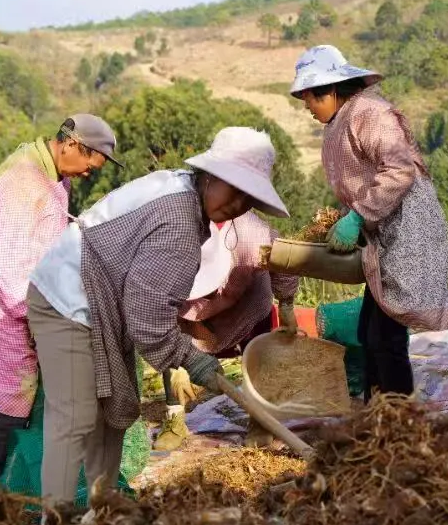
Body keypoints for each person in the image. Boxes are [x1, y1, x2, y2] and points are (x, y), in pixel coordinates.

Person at [26, 127, 289, 505]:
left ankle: (101, 507)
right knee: (76, 418)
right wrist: (192, 361)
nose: (237, 204)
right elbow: (148, 320)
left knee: (113, 412)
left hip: (102, 302)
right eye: (233, 189)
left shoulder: (182, 189)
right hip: (67, 296)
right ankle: (57, 518)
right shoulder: (179, 219)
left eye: (249, 198)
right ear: (210, 175)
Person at [290, 44, 448, 401]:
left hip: (407, 227)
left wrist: (358, 215)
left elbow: (399, 170)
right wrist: (345, 217)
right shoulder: (341, 121)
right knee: (370, 331)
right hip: (383, 232)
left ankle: (397, 413)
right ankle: (378, 405)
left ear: (329, 90)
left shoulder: (369, 114)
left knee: (384, 335)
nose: (307, 107)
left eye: (310, 99)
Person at [0, 114, 120, 482]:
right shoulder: (22, 182)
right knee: (16, 388)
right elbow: (10, 263)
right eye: (88, 166)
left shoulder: (53, 172)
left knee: (37, 378)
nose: (87, 174)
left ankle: (30, 466)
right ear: (71, 145)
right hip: (4, 297)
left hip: (34, 286)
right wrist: (40, 316)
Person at [153, 213, 300, 451]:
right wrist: (175, 358)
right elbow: (157, 312)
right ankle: (174, 419)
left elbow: (286, 260)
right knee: (173, 360)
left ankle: (260, 419)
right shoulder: (164, 249)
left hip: (247, 302)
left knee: (258, 355)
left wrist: (286, 304)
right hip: (189, 314)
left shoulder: (252, 237)